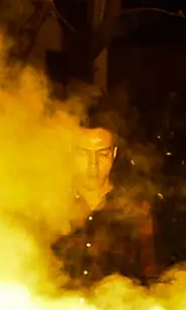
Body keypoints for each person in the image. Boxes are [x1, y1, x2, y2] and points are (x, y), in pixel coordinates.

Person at [53, 120, 158, 286]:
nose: (93, 165)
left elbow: (150, 277)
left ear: (114, 154)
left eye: (102, 154)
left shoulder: (136, 210)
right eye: (83, 153)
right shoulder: (51, 205)